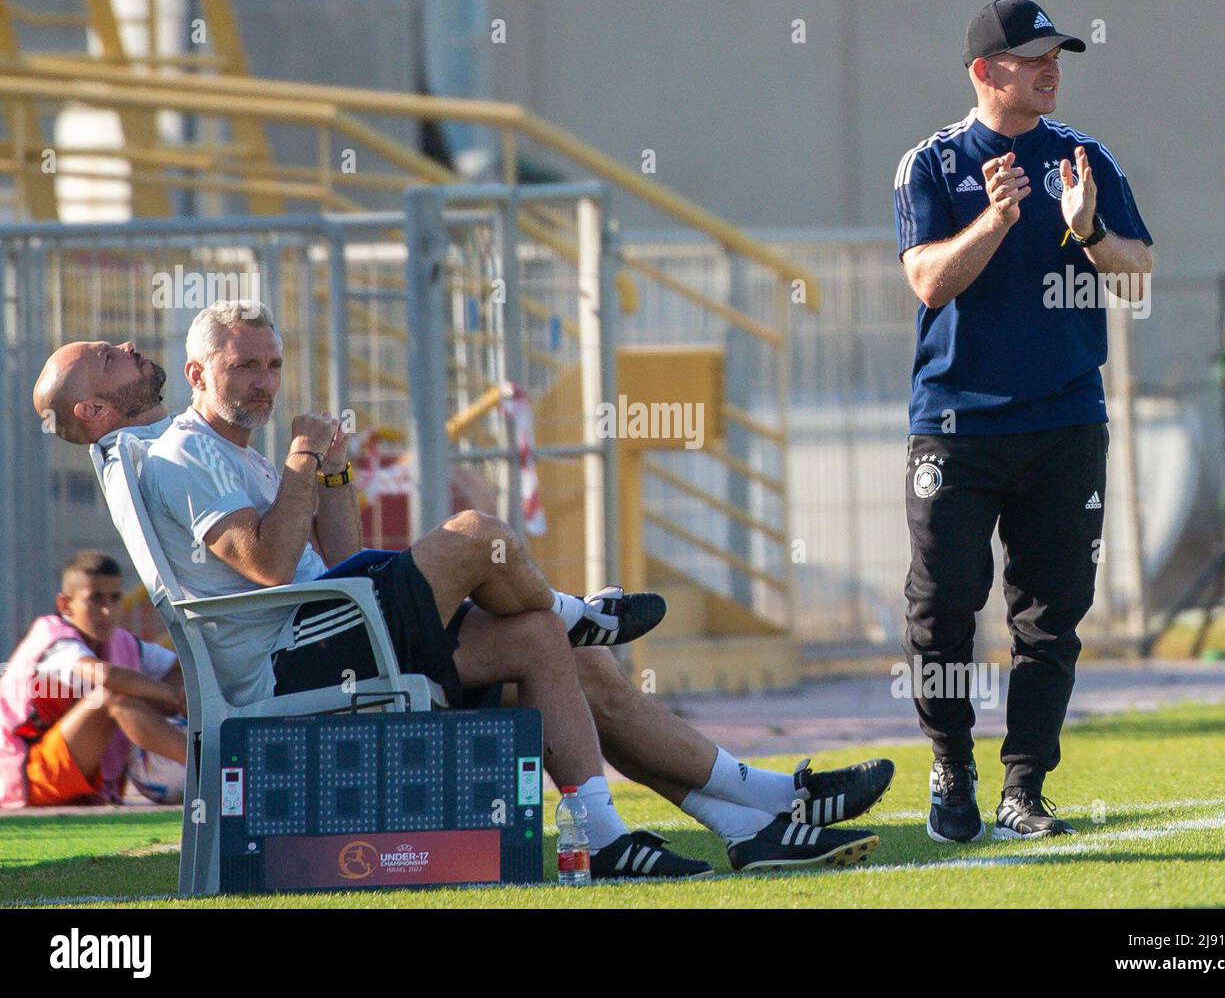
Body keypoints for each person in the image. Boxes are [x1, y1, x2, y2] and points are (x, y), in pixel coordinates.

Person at [34, 311, 892, 874]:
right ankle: (583, 614)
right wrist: (302, 459)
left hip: (332, 624)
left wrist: (327, 468)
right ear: (98, 410)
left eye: (271, 365)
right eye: (244, 368)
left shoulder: (229, 454)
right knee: (479, 534)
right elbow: (263, 565)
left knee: (540, 650)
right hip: (293, 662)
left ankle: (726, 819)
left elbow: (334, 555)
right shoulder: (179, 455)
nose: (264, 381)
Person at [891, 0, 1153, 842]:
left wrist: (1090, 229)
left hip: (1066, 422)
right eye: (1035, 56)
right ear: (985, 70)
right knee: (943, 607)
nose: (1053, 69)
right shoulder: (930, 164)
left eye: (1059, 56)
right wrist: (998, 218)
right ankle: (952, 765)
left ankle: (1024, 788)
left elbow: (1138, 272)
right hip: (957, 427)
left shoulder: (1085, 157)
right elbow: (929, 281)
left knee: (1050, 615)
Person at [0, 551, 186, 809]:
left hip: (77, 771)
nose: (107, 610)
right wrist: (174, 697)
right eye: (95, 600)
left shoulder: (121, 642)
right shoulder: (53, 638)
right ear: (66, 605)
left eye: (115, 598)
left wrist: (188, 696)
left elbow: (181, 670)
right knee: (110, 697)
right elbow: (104, 676)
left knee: (162, 685)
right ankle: (210, 765)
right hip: (29, 776)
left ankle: (209, 763)